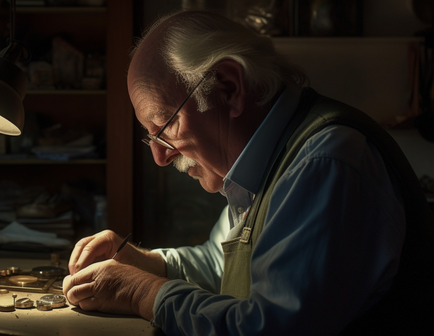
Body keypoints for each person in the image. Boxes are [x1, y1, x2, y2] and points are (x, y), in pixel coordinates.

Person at [62, 10, 434, 335]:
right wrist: (144, 263)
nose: (159, 157)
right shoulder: (264, 164)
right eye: (151, 139)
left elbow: (272, 328)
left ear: (228, 87)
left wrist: (141, 292)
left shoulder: (323, 165)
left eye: (164, 128)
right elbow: (216, 263)